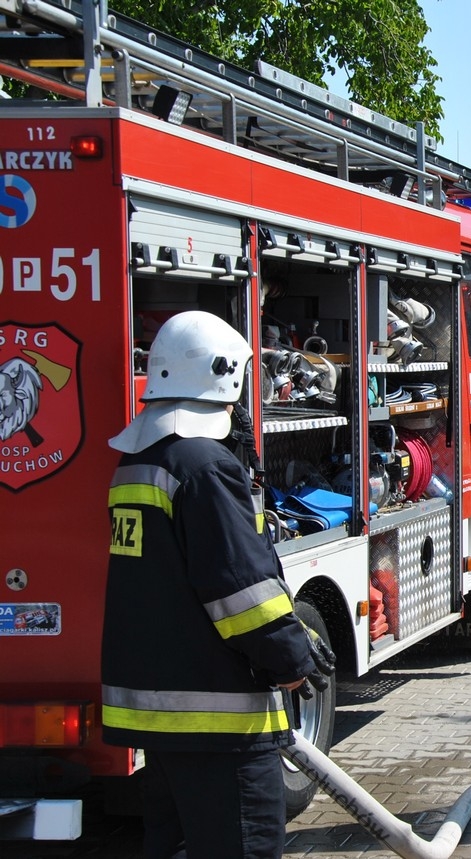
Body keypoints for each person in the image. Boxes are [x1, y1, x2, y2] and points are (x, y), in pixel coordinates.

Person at [102, 311, 333, 859]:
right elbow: (239, 592)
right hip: (221, 723)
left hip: (164, 721)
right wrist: (293, 658)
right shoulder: (205, 465)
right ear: (224, 377)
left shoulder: (138, 460)